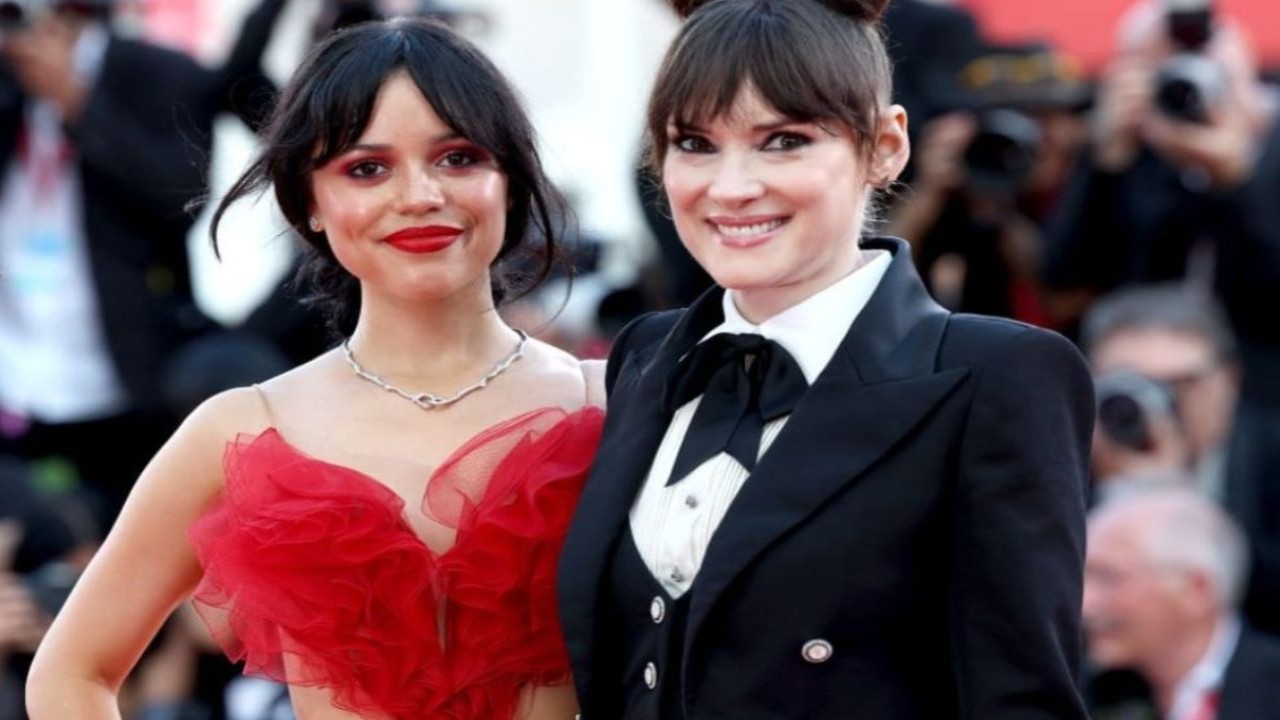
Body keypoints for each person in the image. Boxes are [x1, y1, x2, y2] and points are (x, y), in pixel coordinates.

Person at [26, 17, 605, 720]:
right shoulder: (241, 431)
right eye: (367, 168)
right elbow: (71, 674)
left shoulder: (609, 403)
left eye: (458, 158)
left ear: (510, 179)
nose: (419, 194)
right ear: (309, 202)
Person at [557, 1, 1095, 718]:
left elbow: (1021, 701)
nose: (732, 186)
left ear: (885, 145)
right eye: (695, 143)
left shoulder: (998, 378)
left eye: (782, 141)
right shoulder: (645, 356)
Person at [1083, 487, 1280, 720]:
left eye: (1109, 578)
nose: (1086, 605)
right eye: (1084, 579)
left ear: (1197, 590)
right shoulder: (1089, 695)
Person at [1081, 284, 1239, 500]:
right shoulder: (1056, 472)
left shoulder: (1269, 463)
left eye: (1179, 384)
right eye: (1129, 385)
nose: (1154, 404)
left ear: (1229, 382)